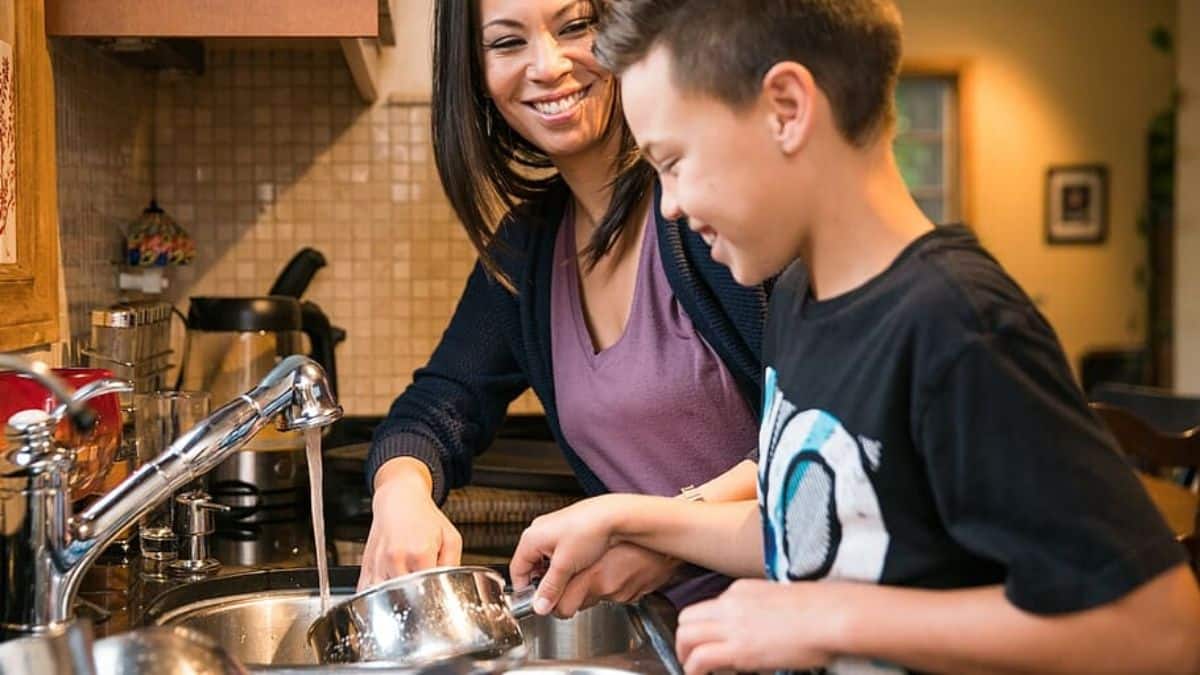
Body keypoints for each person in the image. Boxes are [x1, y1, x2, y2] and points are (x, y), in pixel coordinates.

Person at [510, 0, 1200, 672]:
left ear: (787, 108)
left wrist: (823, 619)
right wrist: (630, 517)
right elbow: (815, 536)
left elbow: (1161, 628)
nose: (671, 203)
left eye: (674, 161)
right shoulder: (796, 298)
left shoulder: (956, 326)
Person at [358, 0, 770, 615]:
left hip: (807, 629)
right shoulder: (527, 251)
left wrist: (664, 533)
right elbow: (436, 407)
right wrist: (400, 493)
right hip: (681, 638)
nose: (547, 66)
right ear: (474, 71)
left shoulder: (704, 211)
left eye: (576, 27)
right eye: (506, 43)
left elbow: (822, 438)